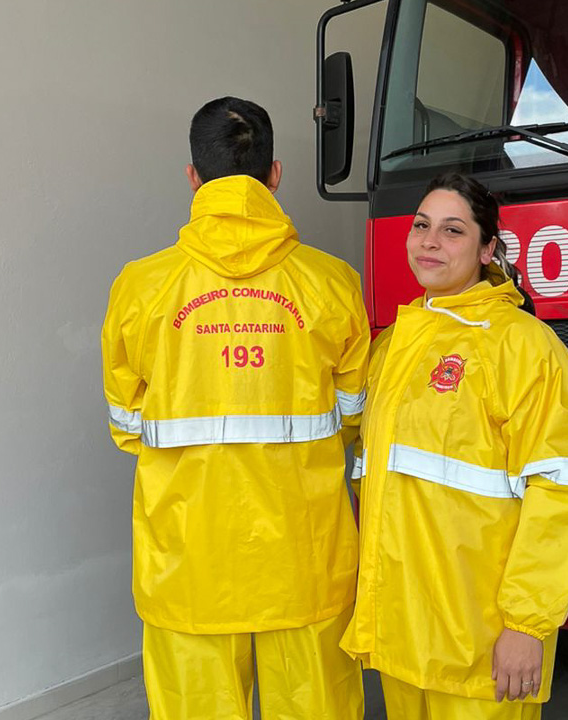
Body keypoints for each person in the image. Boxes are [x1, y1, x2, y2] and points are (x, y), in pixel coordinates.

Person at [101, 96, 368, 720]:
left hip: (188, 561)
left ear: (193, 176)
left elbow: (127, 426)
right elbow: (354, 415)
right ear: (275, 175)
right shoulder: (332, 283)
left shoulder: (140, 287)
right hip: (307, 558)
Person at [340, 172, 568, 720]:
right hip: (402, 634)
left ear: (487, 249)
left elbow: (565, 494)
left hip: (479, 645)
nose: (429, 242)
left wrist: (526, 626)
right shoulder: (393, 345)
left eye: (452, 230)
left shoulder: (523, 346)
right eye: (421, 226)